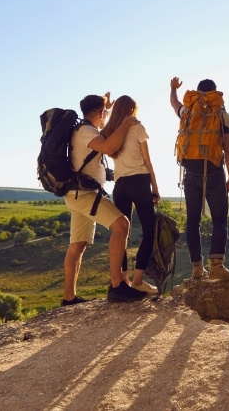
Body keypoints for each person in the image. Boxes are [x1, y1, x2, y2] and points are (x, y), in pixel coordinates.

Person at [61, 92, 147, 305]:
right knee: (122, 225)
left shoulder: (82, 130)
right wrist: (126, 123)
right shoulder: (86, 132)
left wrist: (107, 108)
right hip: (84, 194)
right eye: (104, 113)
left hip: (75, 194)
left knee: (77, 245)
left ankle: (68, 298)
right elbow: (109, 146)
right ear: (99, 113)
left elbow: (104, 132)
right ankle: (117, 286)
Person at [169, 77, 229, 279]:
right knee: (219, 220)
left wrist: (173, 88)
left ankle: (197, 269)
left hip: (190, 173)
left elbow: (175, 104)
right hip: (214, 172)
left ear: (197, 93)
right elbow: (228, 148)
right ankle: (216, 266)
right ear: (214, 93)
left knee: (193, 221)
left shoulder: (188, 111)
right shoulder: (222, 114)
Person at [99, 95, 160, 295]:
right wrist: (155, 187)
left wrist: (106, 109)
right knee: (149, 230)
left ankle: (123, 280)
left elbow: (103, 130)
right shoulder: (137, 128)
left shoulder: (111, 132)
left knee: (122, 233)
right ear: (132, 110)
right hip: (140, 182)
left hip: (120, 185)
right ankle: (138, 280)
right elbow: (148, 161)